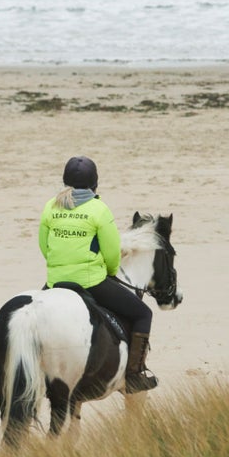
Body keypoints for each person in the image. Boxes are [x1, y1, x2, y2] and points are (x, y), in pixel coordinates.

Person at [39, 156, 158, 393]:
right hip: (91, 282)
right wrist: (110, 272)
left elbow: (44, 246)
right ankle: (134, 375)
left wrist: (61, 266)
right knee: (143, 313)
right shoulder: (99, 209)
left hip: (54, 283)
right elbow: (112, 254)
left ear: (65, 181)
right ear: (95, 184)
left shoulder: (51, 206)